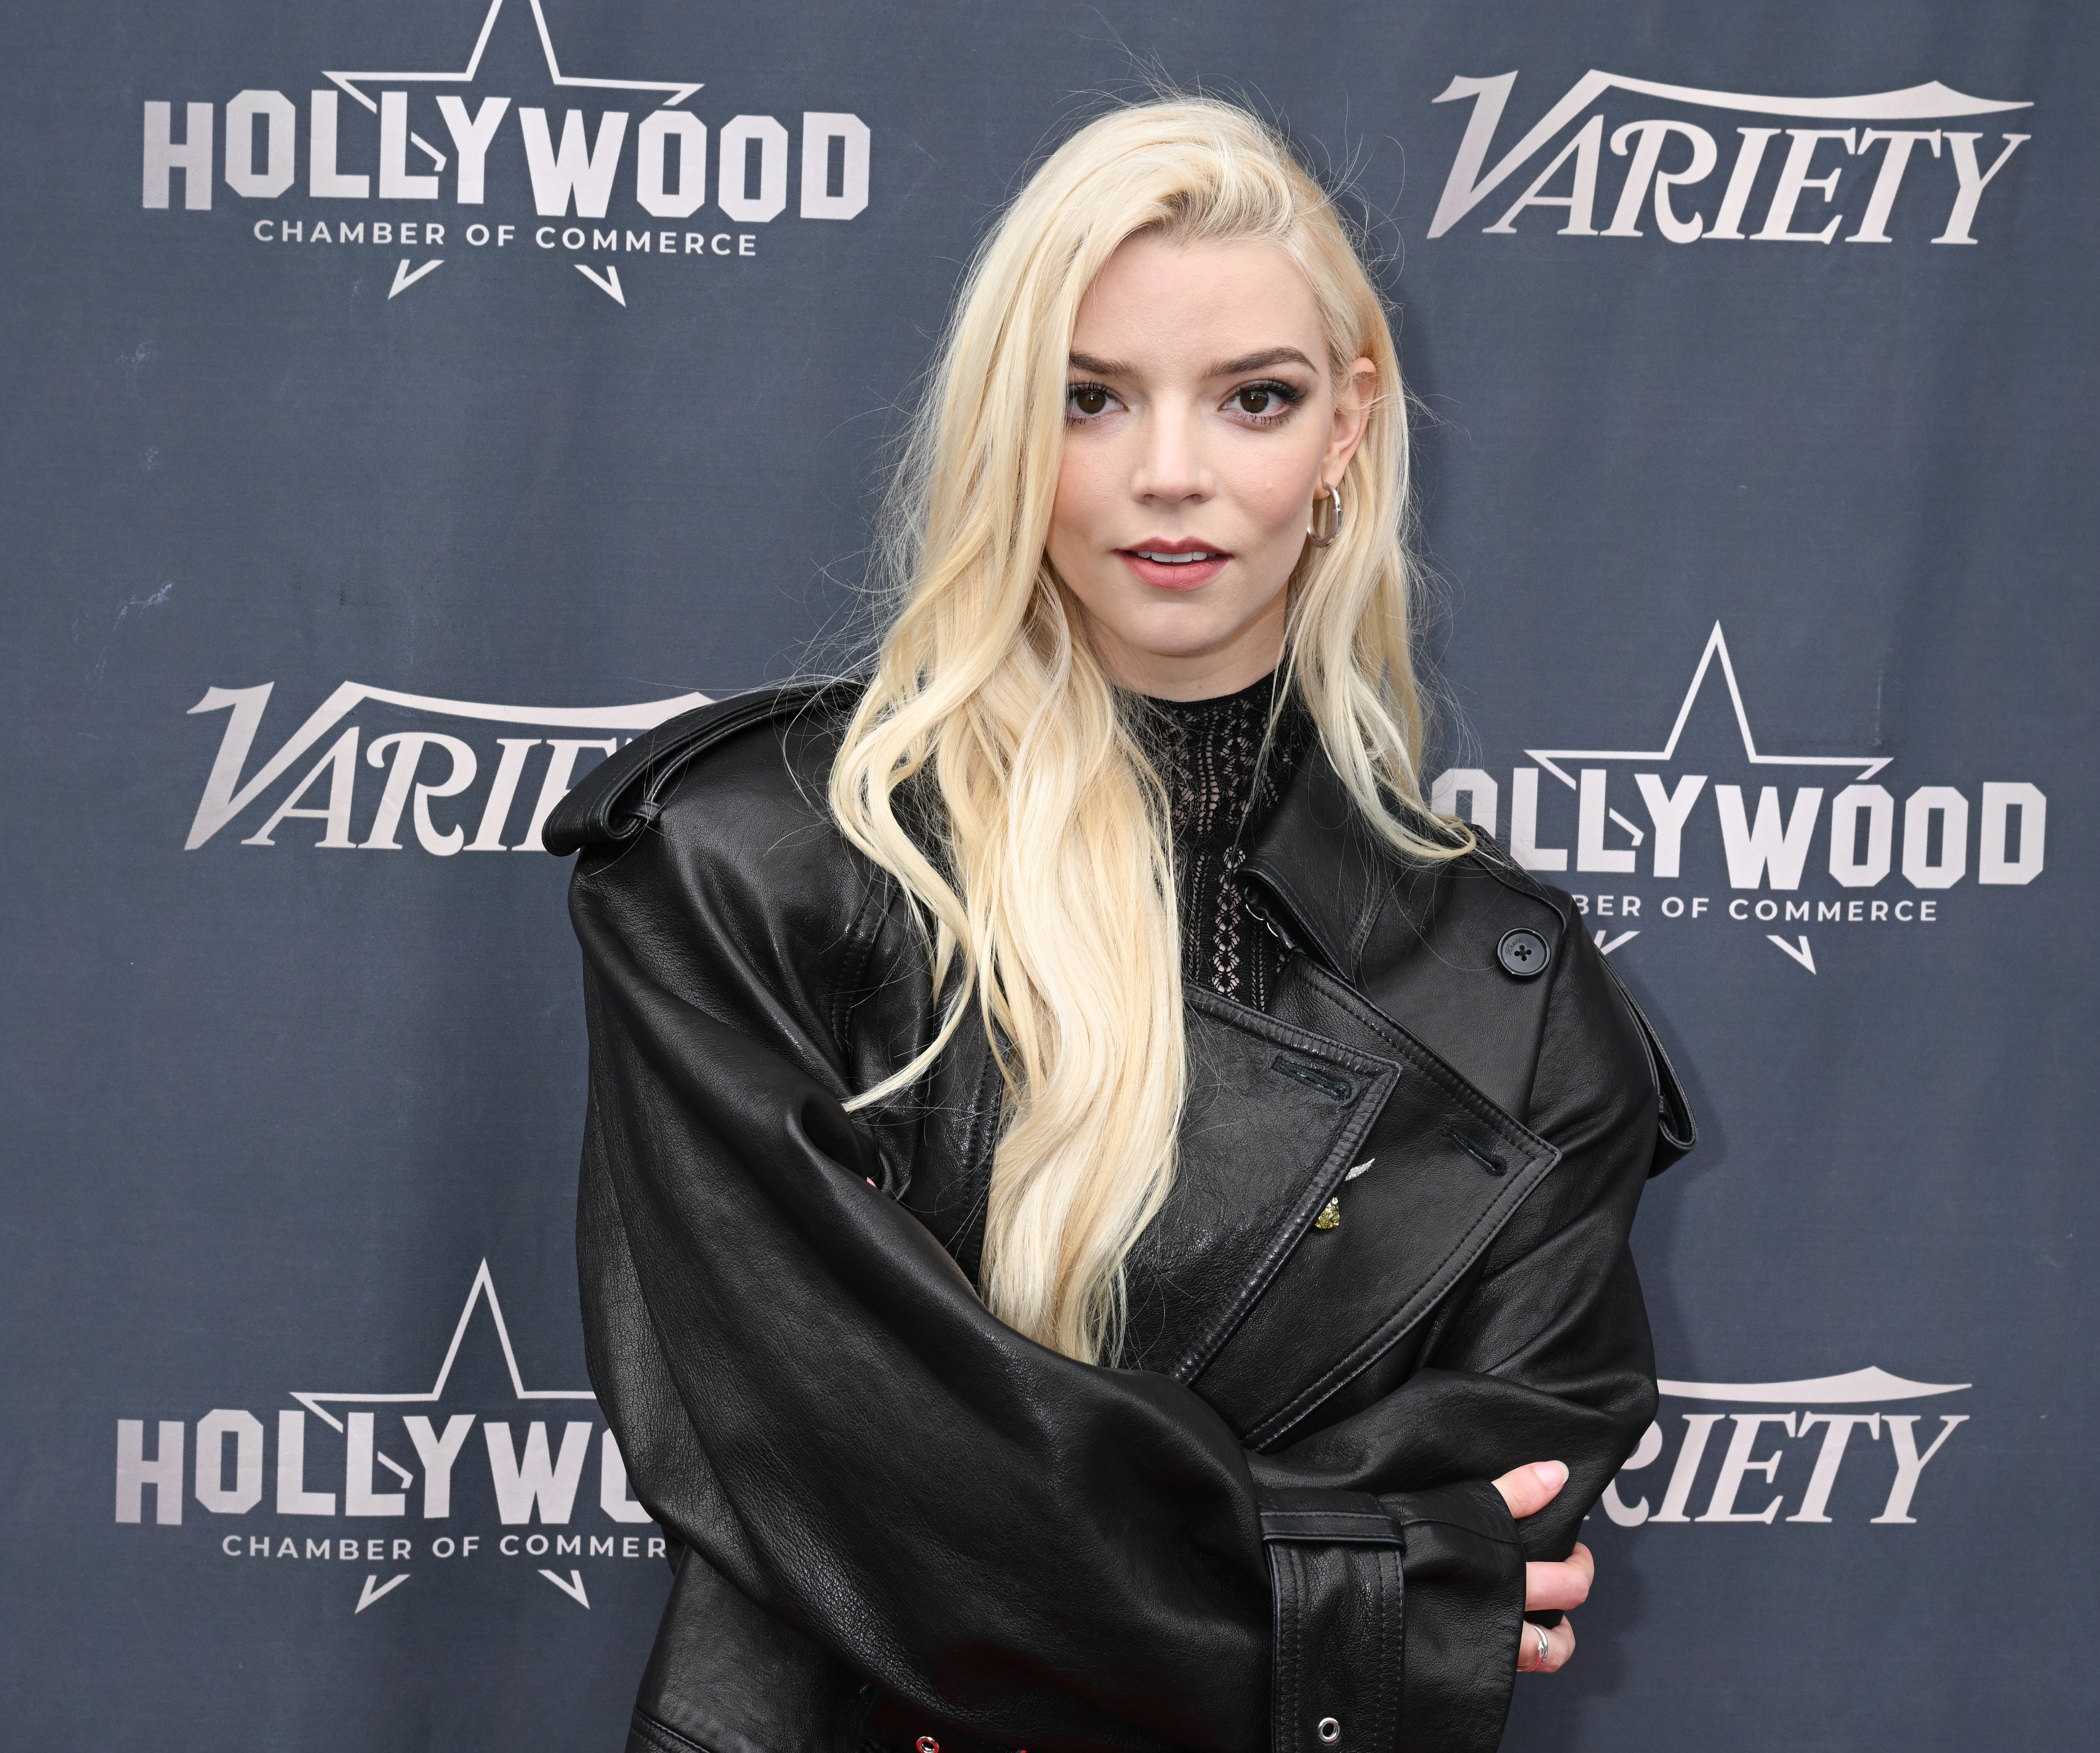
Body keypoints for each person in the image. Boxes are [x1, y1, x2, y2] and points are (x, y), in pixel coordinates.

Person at [548, 97, 1692, 1753]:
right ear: (1011, 426)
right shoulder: (750, 870)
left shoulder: (1510, 993)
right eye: (1091, 399)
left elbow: (1509, 1485)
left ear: (1347, 428)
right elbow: (846, 1454)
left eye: (1256, 399)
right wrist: (1368, 1598)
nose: (1173, 474)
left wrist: (1098, 1577)